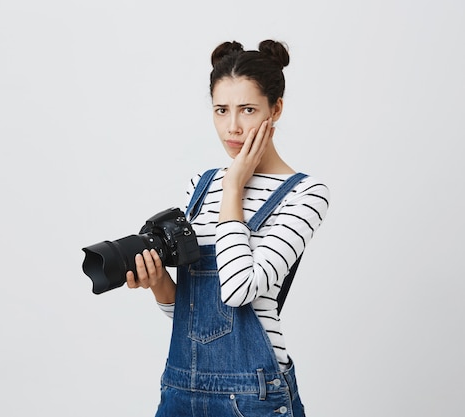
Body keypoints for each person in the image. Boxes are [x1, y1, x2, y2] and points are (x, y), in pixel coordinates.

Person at [125, 39, 330, 417]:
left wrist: (234, 186)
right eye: (221, 110)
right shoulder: (200, 185)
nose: (232, 127)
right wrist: (157, 283)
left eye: (247, 110)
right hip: (181, 387)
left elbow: (239, 291)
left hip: (253, 395)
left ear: (276, 109)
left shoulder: (305, 194)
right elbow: (194, 316)